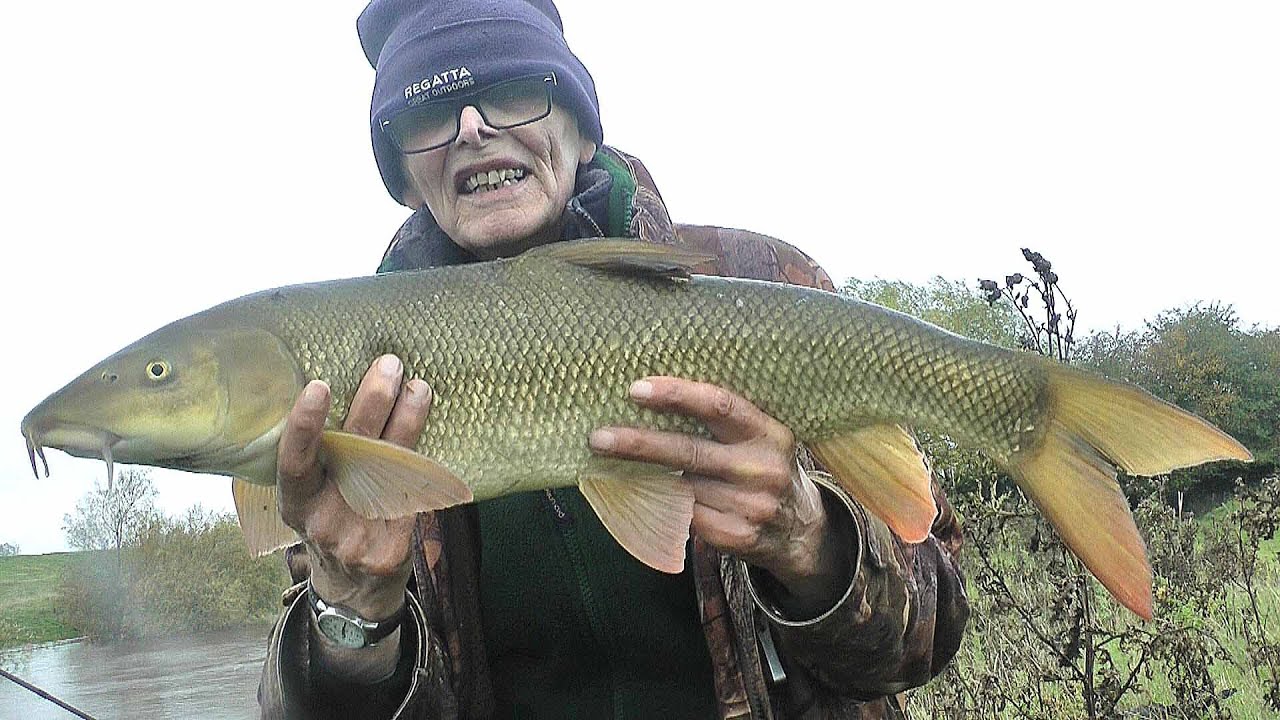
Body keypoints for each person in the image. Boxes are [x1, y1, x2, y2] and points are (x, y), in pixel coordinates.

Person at [257, 1, 969, 718]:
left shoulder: (764, 285)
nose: (472, 129)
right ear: (405, 177)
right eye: (430, 111)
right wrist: (352, 617)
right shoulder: (348, 379)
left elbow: (931, 632)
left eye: (510, 91)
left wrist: (813, 545)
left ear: (582, 130)